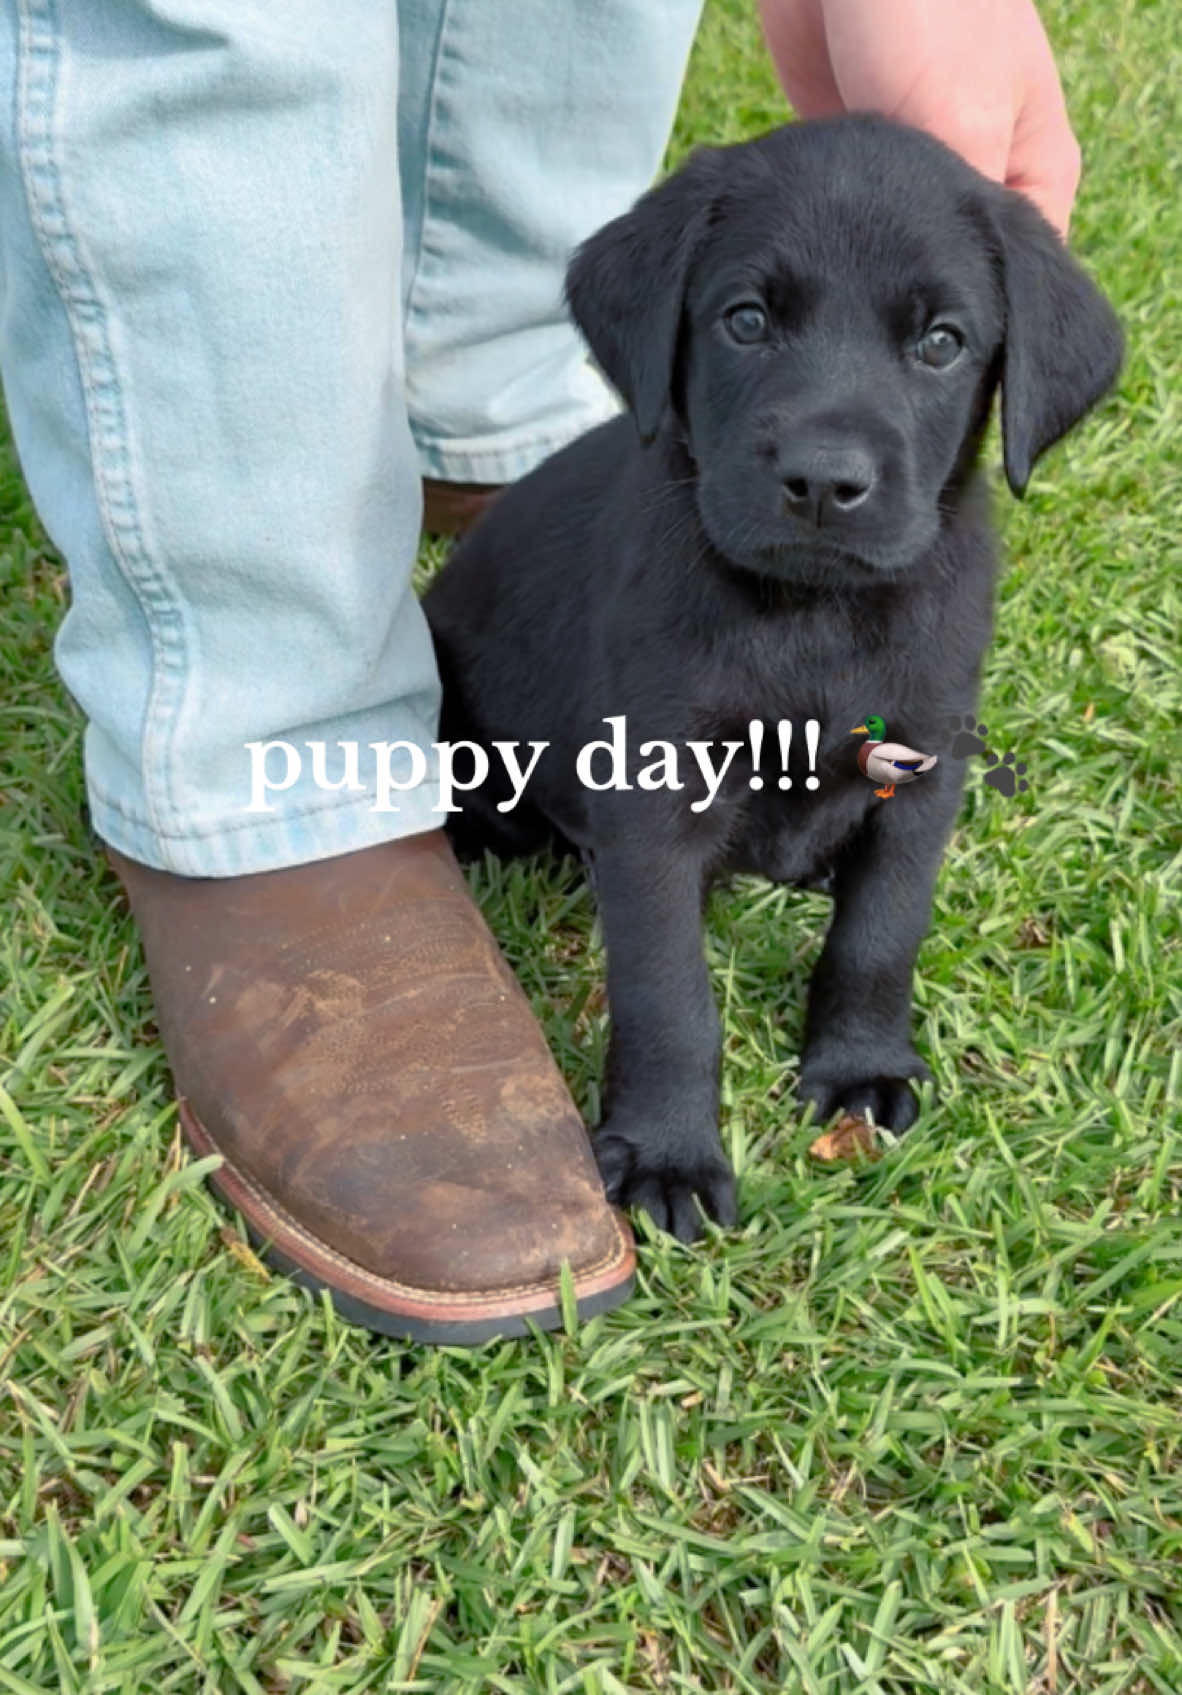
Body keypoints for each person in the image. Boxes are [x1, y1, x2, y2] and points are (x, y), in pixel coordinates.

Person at [0, 0, 1081, 1342]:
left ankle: (472, 398)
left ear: (1007, 381)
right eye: (750, 317)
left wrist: (865, 1017)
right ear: (661, 332)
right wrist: (663, 1111)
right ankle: (266, 749)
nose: (825, 453)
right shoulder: (665, 546)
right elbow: (652, 821)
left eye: (931, 344)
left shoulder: (948, 566)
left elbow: (912, 784)